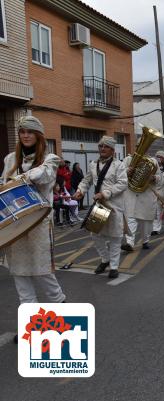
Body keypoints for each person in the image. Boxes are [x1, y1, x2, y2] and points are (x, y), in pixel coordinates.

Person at [1, 116, 67, 345]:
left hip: (39, 225)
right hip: (15, 227)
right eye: (22, 132)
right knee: (20, 277)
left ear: (38, 135)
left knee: (43, 275)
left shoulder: (50, 158)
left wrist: (23, 177)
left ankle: (61, 313)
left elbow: (45, 175)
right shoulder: (10, 158)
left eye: (30, 132)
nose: (25, 136)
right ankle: (30, 328)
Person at [74, 136, 127, 279]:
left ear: (112, 150)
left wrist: (105, 193)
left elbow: (123, 183)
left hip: (114, 206)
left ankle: (114, 267)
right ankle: (105, 260)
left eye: (106, 147)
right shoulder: (93, 164)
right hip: (100, 206)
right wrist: (80, 191)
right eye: (100, 146)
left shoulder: (119, 165)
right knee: (95, 234)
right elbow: (86, 180)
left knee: (115, 237)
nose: (102, 149)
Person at [121, 146, 161, 252]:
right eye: (138, 146)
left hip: (146, 195)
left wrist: (153, 178)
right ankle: (129, 243)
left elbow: (159, 177)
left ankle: (145, 240)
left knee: (146, 221)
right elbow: (120, 173)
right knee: (130, 219)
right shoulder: (128, 159)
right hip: (131, 194)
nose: (140, 148)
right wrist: (126, 172)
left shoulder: (153, 161)